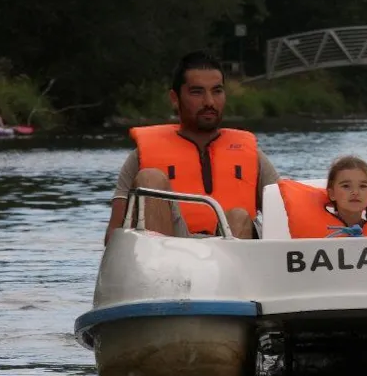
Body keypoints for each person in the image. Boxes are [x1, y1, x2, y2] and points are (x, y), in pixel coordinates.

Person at [104, 50, 280, 245]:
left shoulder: (253, 157)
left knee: (238, 216)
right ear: (174, 98)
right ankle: (162, 272)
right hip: (167, 254)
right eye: (197, 92)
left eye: (217, 91)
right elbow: (114, 233)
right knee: (150, 178)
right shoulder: (139, 158)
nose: (209, 102)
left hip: (230, 257)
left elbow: (286, 218)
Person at [277, 155, 367, 238]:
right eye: (346, 186)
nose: (355, 192)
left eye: (363, 186)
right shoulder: (319, 233)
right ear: (332, 194)